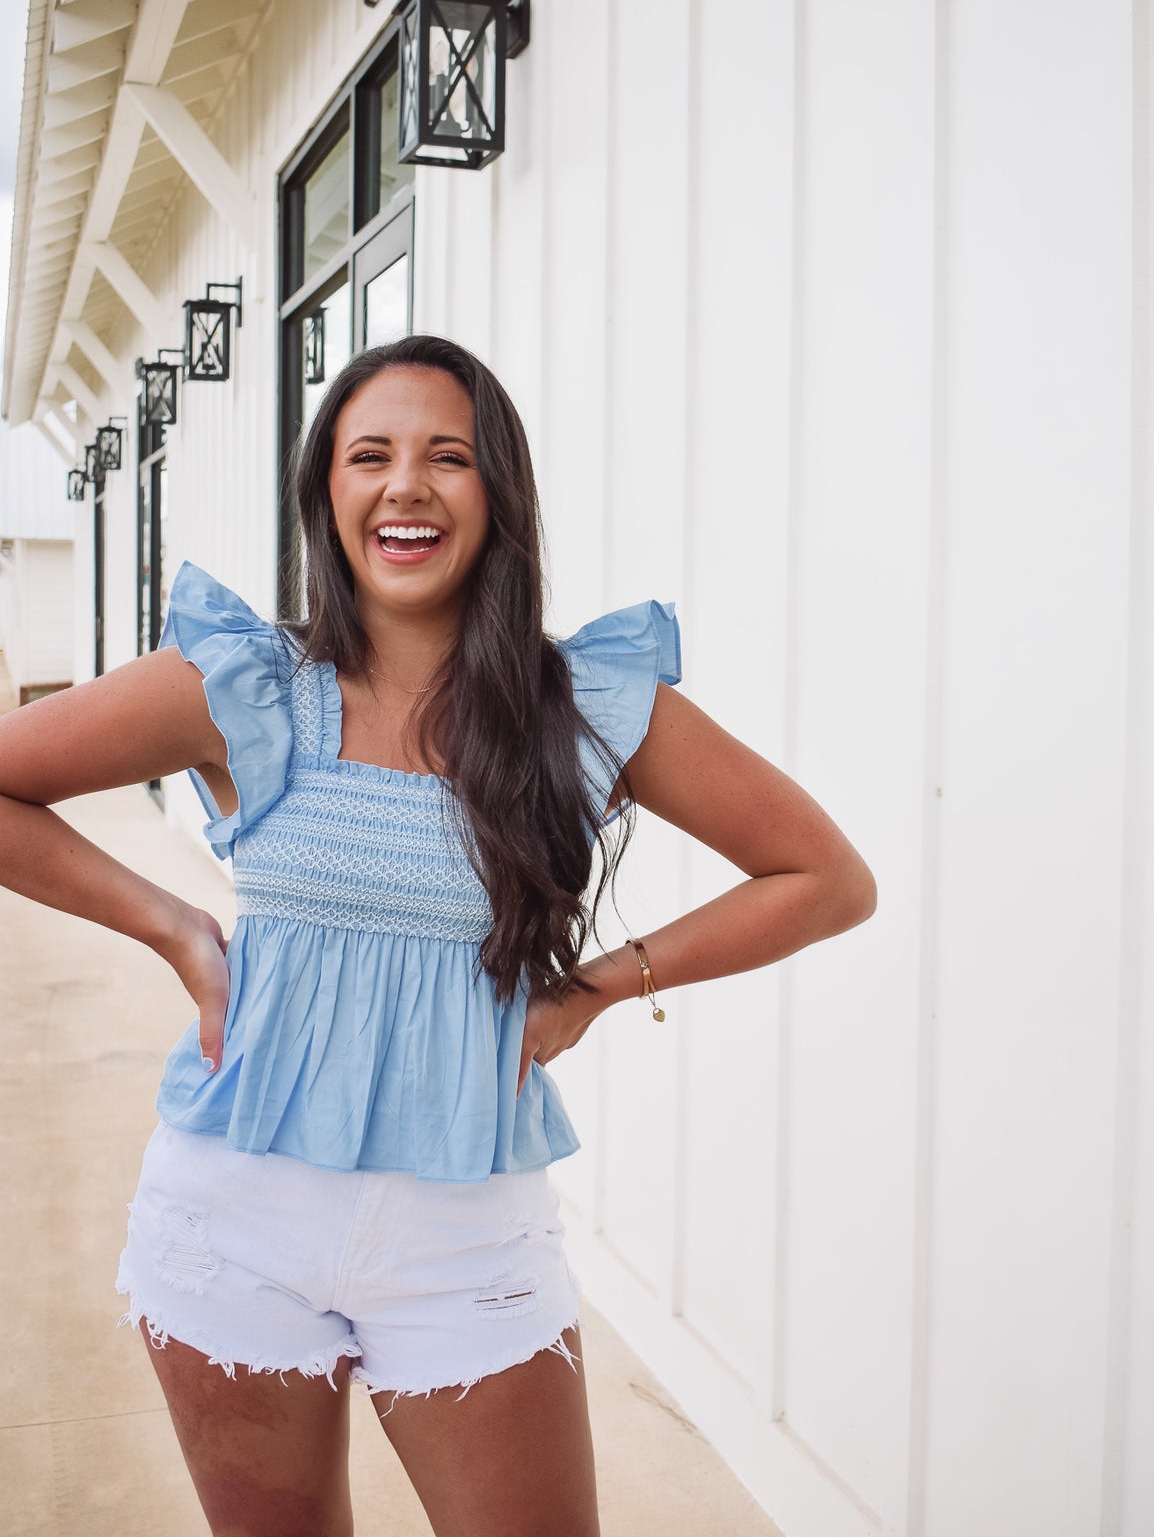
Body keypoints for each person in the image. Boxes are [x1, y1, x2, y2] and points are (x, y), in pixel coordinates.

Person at [0, 335, 876, 1537]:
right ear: (328, 496)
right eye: (370, 455)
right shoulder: (246, 687)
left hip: (465, 1235)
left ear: (497, 497)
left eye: (446, 458)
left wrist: (599, 992)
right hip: (232, 1217)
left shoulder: (587, 709)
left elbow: (825, 876)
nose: (404, 484)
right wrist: (177, 929)